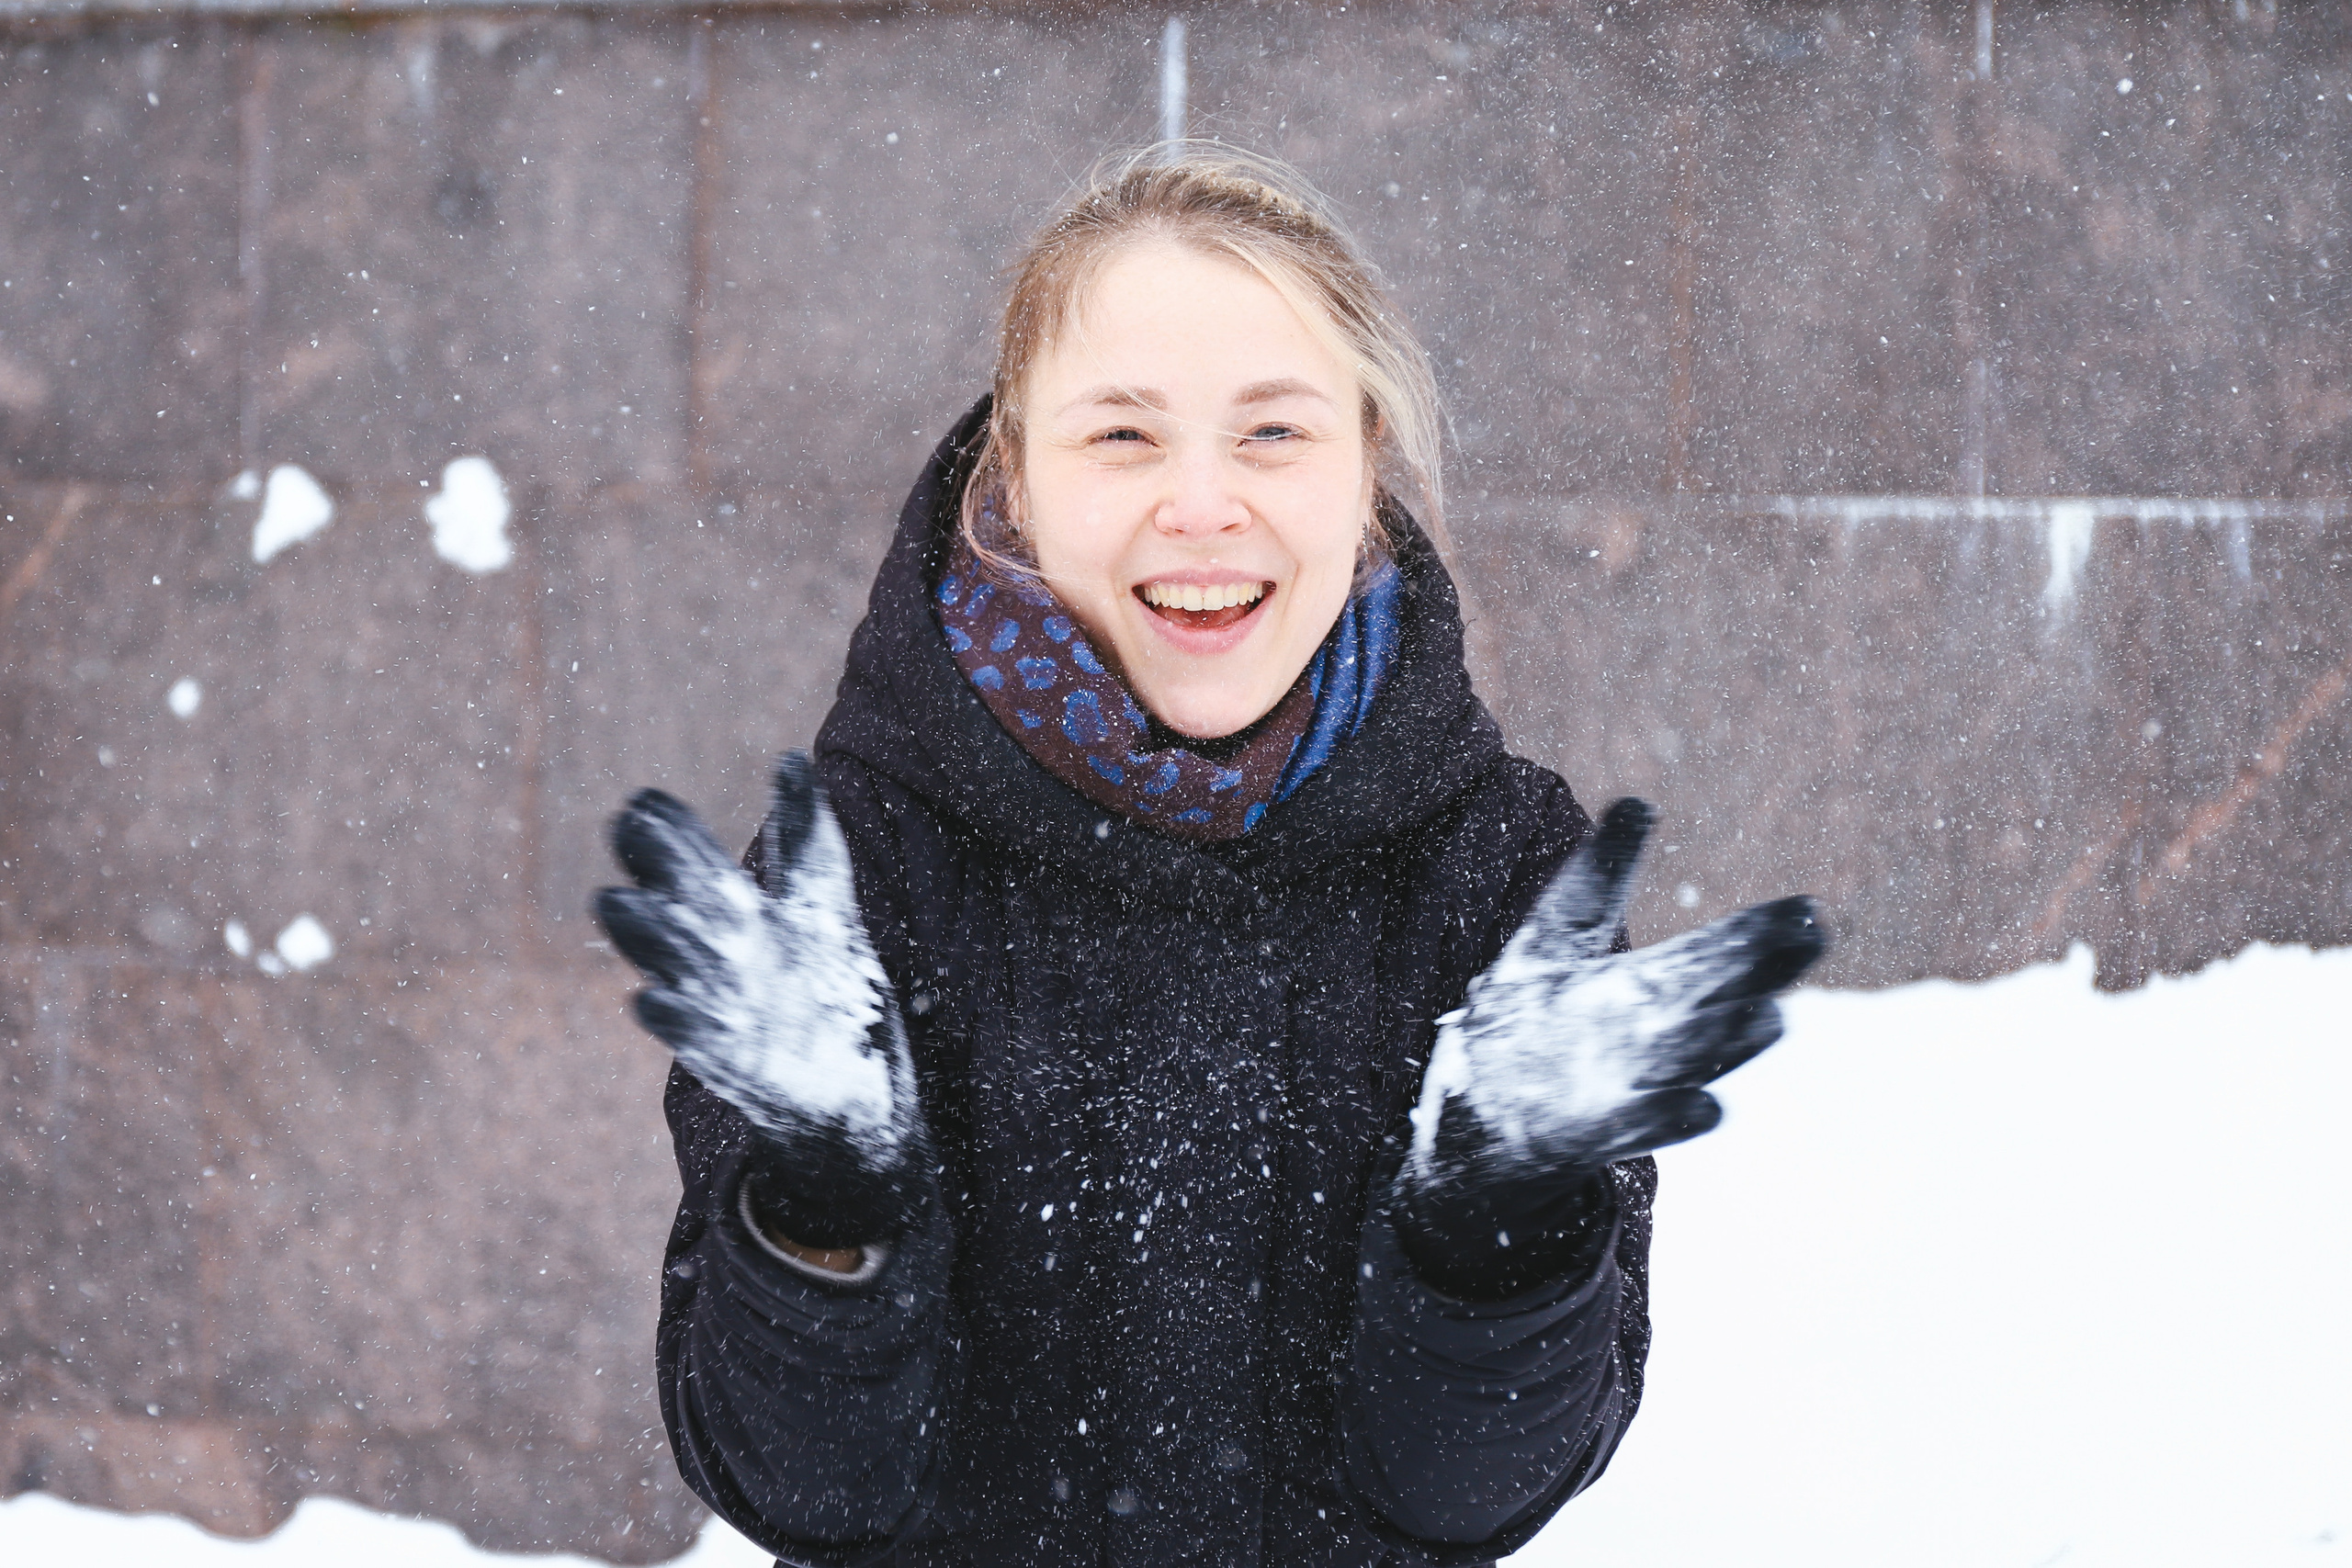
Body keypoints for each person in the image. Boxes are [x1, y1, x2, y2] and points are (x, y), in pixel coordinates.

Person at [595, 145, 1824, 1568]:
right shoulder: (855, 875)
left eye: (1273, 433)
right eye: (1123, 435)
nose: (1200, 503)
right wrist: (824, 1211)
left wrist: (1496, 1226)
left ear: (1366, 466)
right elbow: (798, 1492)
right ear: (1018, 475)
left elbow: (1472, 1500)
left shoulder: (1499, 876)